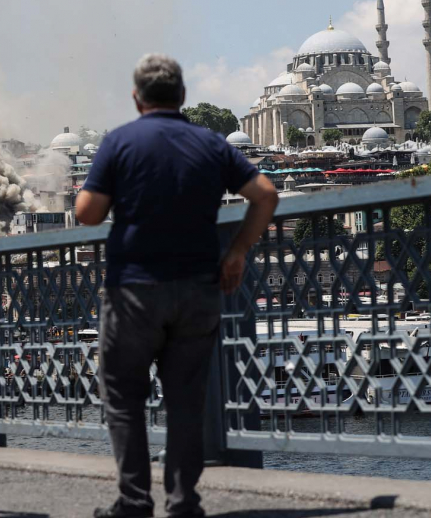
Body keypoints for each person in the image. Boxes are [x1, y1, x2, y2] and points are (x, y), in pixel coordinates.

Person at [75, 55, 279, 518]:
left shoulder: (120, 142)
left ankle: (134, 502)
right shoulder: (209, 143)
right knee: (186, 401)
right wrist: (238, 250)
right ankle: (183, 502)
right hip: (198, 287)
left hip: (134, 291)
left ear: (136, 97)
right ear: (183, 97)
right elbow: (265, 195)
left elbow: (88, 213)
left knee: (125, 399)